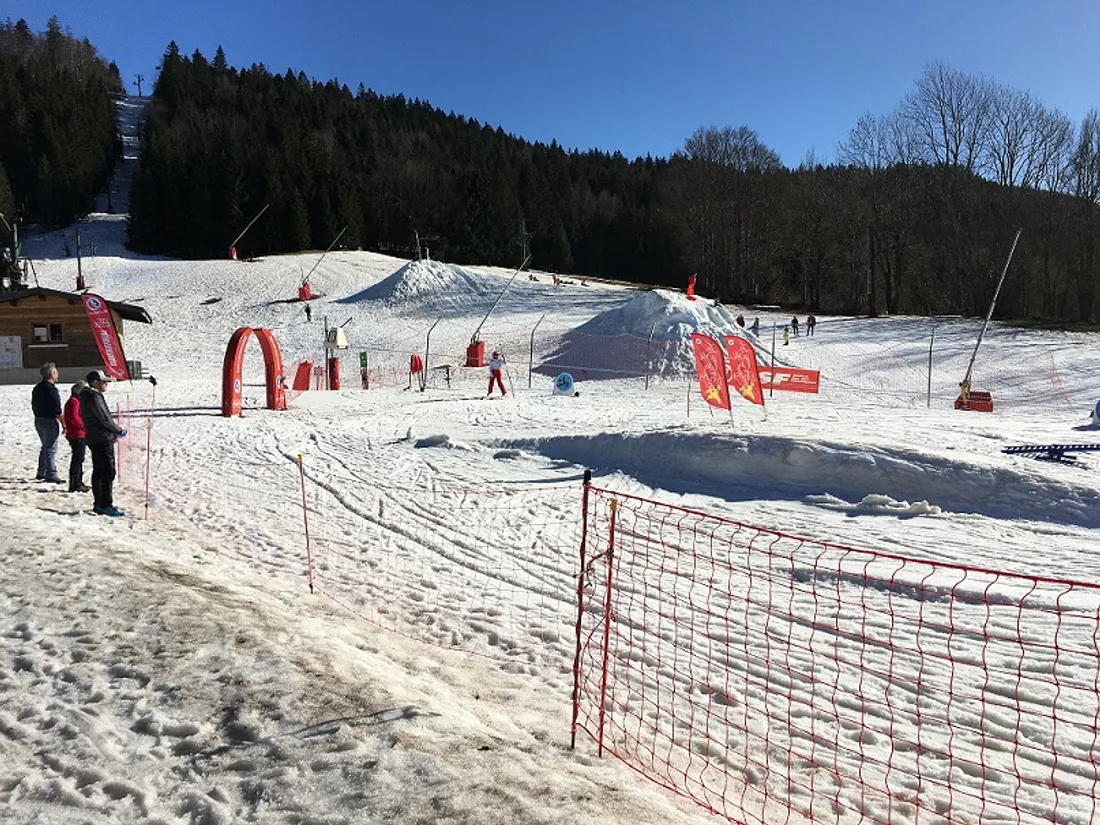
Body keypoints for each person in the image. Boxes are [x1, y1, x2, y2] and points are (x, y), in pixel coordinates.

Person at [80, 370, 127, 516]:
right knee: (107, 470)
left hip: (95, 437)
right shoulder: (93, 396)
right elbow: (104, 418)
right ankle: (105, 503)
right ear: (95, 382)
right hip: (101, 438)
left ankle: (99, 502)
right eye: (103, 381)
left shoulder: (88, 396)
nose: (106, 384)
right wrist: (118, 430)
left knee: (99, 470)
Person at [31, 362, 65, 483]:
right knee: (50, 448)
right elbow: (57, 409)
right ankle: (51, 473)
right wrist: (63, 423)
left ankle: (42, 470)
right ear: (51, 374)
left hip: (38, 419)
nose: (58, 374)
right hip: (49, 420)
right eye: (56, 372)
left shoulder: (37, 388)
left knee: (45, 446)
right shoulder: (52, 389)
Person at [63, 381, 90, 492]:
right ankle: (75, 483)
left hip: (77, 433)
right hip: (77, 434)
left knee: (79, 458)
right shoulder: (74, 402)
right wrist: (83, 426)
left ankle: (78, 481)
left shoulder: (74, 401)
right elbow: (74, 417)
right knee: (77, 459)